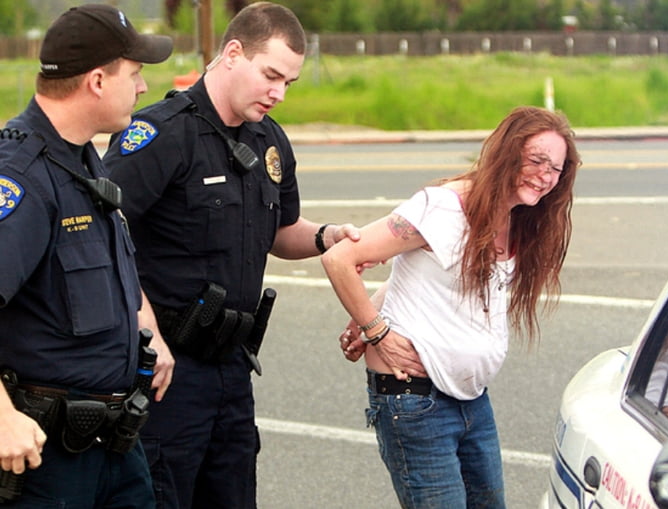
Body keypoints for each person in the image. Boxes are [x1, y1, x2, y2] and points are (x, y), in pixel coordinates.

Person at [102, 3, 359, 508]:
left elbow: (281, 231)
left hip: (233, 368)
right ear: (233, 53)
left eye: (290, 82)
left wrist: (328, 236)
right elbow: (101, 235)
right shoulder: (161, 134)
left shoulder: (269, 139)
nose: (279, 93)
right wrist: (145, 330)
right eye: (271, 76)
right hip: (167, 374)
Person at [321, 105, 581, 508]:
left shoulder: (517, 217)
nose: (545, 176)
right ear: (506, 153)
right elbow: (339, 258)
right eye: (536, 161)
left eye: (556, 169)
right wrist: (376, 330)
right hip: (415, 401)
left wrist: (372, 306)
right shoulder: (443, 207)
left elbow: (426, 272)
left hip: (473, 400)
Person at [0, 4, 173, 508]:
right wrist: (3, 418)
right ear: (98, 80)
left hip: (113, 445)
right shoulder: (22, 177)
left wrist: (148, 332)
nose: (142, 88)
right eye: (135, 73)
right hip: (45, 461)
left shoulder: (80, 157)